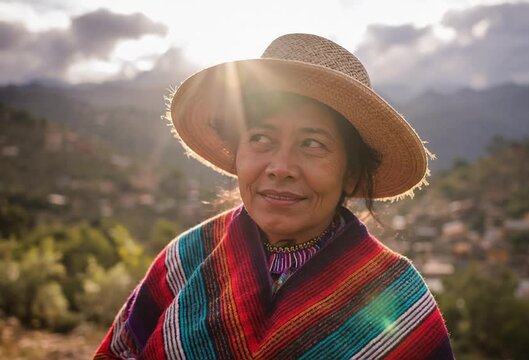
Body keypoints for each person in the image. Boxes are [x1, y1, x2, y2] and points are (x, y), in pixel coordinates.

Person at [95, 33, 453, 359]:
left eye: (313, 144)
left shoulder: (397, 295)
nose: (281, 167)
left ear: (351, 173)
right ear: (237, 153)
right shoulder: (185, 261)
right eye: (261, 138)